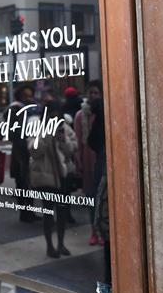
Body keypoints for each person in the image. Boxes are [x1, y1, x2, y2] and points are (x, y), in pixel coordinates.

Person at [29, 86, 77, 258]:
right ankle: (50, 245)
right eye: (51, 115)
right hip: (47, 176)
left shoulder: (65, 128)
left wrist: (63, 140)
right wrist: (48, 135)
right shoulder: (37, 127)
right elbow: (34, 150)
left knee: (62, 212)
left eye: (57, 115)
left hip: (63, 176)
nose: (54, 118)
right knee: (48, 212)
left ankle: (61, 243)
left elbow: (72, 149)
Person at [73, 80, 102, 243]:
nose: (93, 95)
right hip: (88, 159)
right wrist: (79, 161)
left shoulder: (103, 111)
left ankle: (103, 231)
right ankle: (94, 231)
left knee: (103, 197)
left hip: (101, 157)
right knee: (91, 197)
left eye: (96, 92)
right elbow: (77, 140)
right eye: (90, 92)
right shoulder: (80, 115)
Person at [9, 84, 39, 223]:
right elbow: (12, 133)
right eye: (25, 96)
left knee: (28, 182)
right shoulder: (15, 109)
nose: (28, 98)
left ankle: (30, 211)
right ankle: (25, 213)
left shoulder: (33, 109)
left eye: (30, 95)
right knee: (22, 182)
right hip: (20, 152)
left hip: (30, 149)